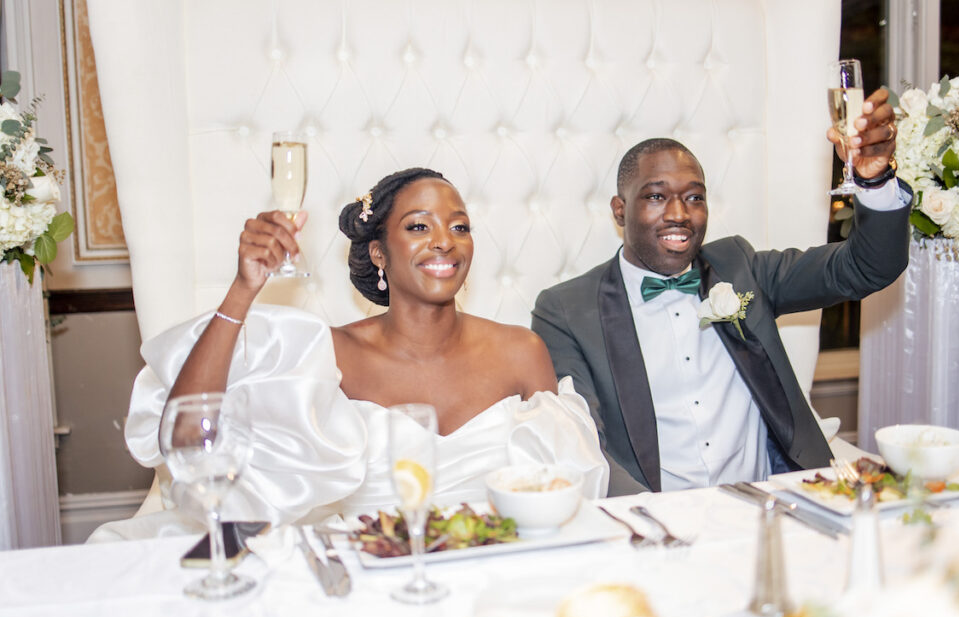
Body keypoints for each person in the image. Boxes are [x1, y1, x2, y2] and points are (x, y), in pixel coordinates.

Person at [94, 168, 608, 541]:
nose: (444, 242)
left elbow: (565, 490)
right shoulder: (328, 356)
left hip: (498, 570)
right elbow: (186, 439)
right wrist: (242, 289)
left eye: (460, 226)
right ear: (379, 253)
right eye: (418, 226)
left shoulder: (522, 351)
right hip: (366, 580)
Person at [531, 88, 911, 496]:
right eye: (656, 197)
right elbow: (583, 443)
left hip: (771, 502)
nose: (679, 214)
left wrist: (875, 180)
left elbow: (866, 267)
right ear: (620, 210)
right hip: (658, 518)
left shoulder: (741, 267)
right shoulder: (566, 310)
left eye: (694, 197)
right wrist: (653, 523)